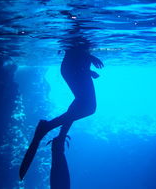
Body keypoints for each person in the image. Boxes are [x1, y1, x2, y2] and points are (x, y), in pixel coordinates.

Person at [19, 41, 104, 181]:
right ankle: (48, 128)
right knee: (88, 106)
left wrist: (88, 66)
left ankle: (58, 135)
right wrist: (89, 58)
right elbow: (74, 49)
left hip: (76, 67)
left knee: (83, 103)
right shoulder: (78, 34)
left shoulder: (80, 38)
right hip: (76, 67)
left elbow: (74, 50)